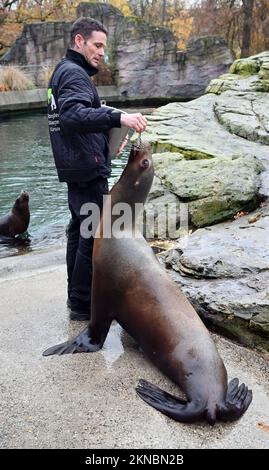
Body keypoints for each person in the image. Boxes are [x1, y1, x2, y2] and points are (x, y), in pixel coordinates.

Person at [47, 17, 147, 321]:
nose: (102, 52)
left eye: (104, 46)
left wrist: (108, 133)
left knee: (78, 231)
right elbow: (72, 116)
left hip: (74, 166)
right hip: (87, 170)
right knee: (92, 235)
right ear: (80, 41)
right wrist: (120, 120)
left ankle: (75, 298)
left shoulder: (63, 72)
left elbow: (79, 114)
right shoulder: (75, 75)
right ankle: (82, 304)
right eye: (97, 45)